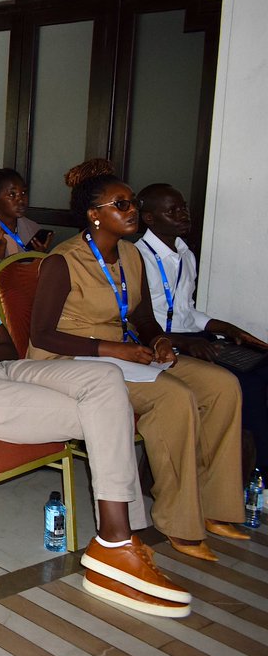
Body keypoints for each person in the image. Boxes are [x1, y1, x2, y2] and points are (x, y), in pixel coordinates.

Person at [0, 198, 192, 617]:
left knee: (105, 380)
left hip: (2, 369)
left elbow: (5, 346)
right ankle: (117, 544)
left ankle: (118, 539)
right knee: (103, 416)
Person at [29, 159, 246, 562]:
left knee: (222, 386)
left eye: (132, 203)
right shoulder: (63, 261)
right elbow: (41, 335)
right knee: (172, 397)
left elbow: (142, 318)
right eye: (121, 204)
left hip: (120, 353)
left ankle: (216, 506)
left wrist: (159, 341)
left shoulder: (131, 255)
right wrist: (112, 349)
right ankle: (178, 520)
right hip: (68, 359)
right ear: (94, 215)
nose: (132, 211)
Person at [136, 182, 268, 470]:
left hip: (194, 336)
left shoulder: (185, 253)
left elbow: (185, 310)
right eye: (172, 211)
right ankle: (255, 468)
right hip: (163, 341)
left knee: (263, 366)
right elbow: (137, 321)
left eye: (183, 208)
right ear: (149, 218)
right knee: (247, 384)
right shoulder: (138, 258)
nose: (183, 215)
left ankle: (250, 462)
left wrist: (228, 328)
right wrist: (183, 342)